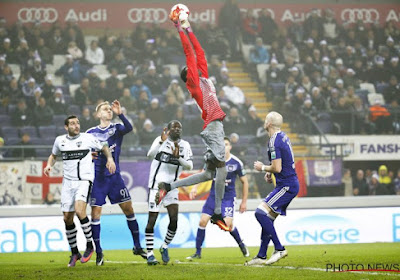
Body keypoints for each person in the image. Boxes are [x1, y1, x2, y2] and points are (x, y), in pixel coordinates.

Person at [155, 11, 228, 231]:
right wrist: (179, 28)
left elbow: (200, 52)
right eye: (191, 70)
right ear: (188, 77)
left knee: (208, 174)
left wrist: (190, 29)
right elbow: (190, 53)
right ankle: (217, 213)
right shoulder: (194, 84)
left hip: (213, 125)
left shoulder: (203, 77)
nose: (194, 68)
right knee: (223, 169)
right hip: (214, 124)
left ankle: (168, 186)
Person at [43, 115, 116, 267]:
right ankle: (75, 252)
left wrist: (109, 158)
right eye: (72, 124)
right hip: (67, 183)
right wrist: (49, 165)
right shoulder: (59, 141)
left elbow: (104, 146)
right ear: (66, 127)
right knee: (67, 219)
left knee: (79, 210)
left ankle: (89, 245)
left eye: (78, 123)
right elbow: (53, 155)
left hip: (84, 180)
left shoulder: (87, 138)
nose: (76, 126)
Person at [86, 100, 146, 266]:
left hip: (115, 177)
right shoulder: (90, 133)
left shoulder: (116, 128)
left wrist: (120, 113)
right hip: (98, 179)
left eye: (109, 109)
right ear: (98, 114)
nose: (109, 111)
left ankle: (137, 246)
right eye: (105, 109)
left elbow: (130, 128)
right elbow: (83, 152)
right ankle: (99, 252)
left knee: (129, 209)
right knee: (96, 214)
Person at [246, 111, 299, 266]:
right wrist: (270, 172)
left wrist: (262, 167)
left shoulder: (274, 140)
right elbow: (279, 165)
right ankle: (261, 256)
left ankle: (279, 248)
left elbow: (277, 167)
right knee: (267, 218)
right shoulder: (282, 136)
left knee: (260, 213)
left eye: (265, 119)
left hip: (286, 185)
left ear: (268, 123)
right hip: (288, 183)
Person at [186, 137, 249, 260]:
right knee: (202, 221)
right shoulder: (213, 161)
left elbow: (244, 182)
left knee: (228, 225)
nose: (224, 147)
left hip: (228, 198)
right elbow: (203, 175)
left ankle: (241, 244)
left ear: (230, 147)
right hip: (213, 197)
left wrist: (244, 202)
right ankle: (197, 253)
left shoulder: (236, 163)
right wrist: (195, 188)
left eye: (226, 144)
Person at [145, 120, 193, 265]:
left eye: (179, 128)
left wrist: (179, 158)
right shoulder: (160, 141)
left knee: (174, 220)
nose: (177, 130)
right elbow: (149, 155)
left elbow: (189, 166)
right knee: (152, 220)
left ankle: (164, 246)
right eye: (174, 128)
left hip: (171, 187)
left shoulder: (185, 145)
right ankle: (149, 254)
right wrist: (160, 141)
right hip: (156, 186)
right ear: (168, 129)